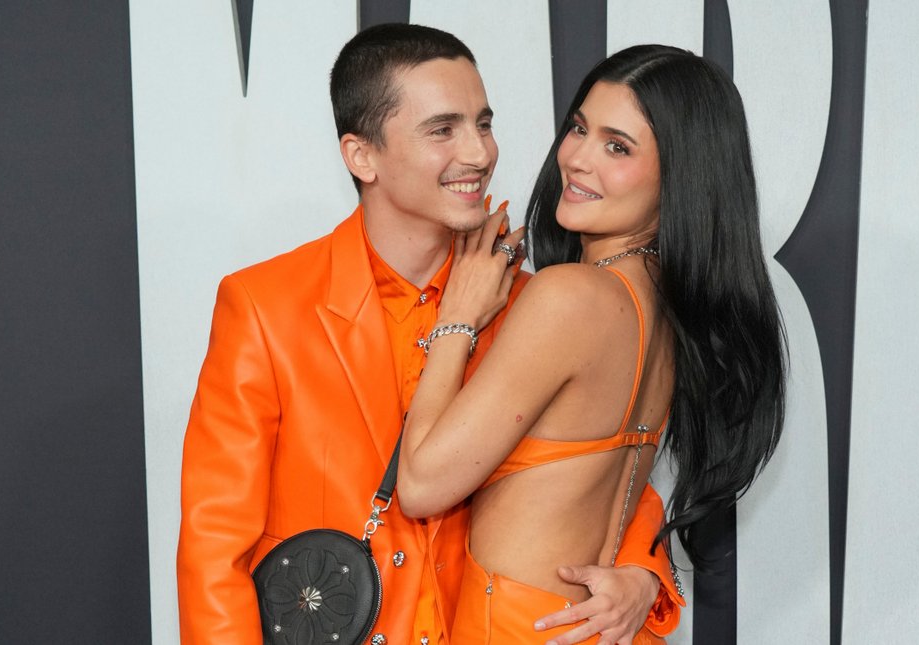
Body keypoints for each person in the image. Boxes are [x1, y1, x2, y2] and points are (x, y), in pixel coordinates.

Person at [176, 26, 682, 645]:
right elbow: (214, 548)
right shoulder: (266, 306)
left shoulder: (530, 306)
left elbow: (596, 464)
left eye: (483, 124)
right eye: (443, 130)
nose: (479, 153)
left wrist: (643, 572)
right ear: (362, 156)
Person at [398, 44, 786, 643]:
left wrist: (457, 318)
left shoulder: (570, 298)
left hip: (522, 626)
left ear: (680, 175)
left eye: (618, 147)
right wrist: (645, 572)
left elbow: (422, 485)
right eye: (579, 129)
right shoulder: (668, 307)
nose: (577, 159)